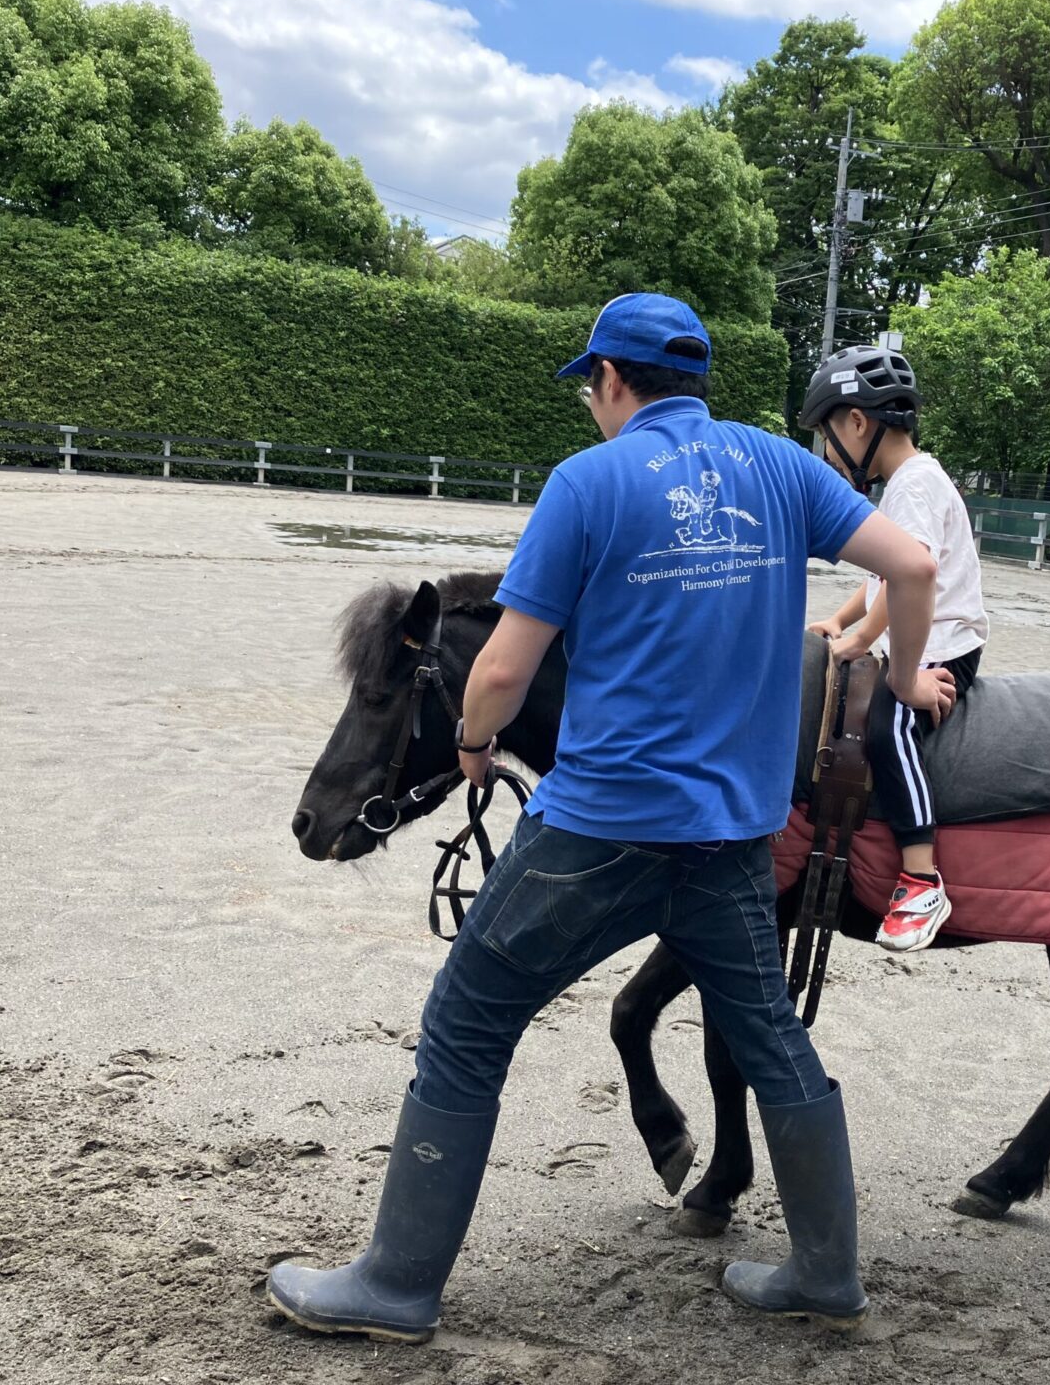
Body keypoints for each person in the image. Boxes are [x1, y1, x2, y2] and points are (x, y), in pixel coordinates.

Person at [266, 294, 955, 1344]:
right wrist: (905, 679)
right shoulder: (780, 466)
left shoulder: (587, 482)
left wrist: (472, 742)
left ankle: (395, 1285)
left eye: (592, 386)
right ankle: (826, 1272)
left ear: (612, 382)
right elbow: (911, 566)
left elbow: (499, 669)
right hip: (733, 832)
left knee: (467, 1019)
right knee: (773, 1041)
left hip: (603, 824)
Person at [801, 344, 989, 954]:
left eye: (827, 435)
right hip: (920, 628)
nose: (827, 453)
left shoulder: (910, 487)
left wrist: (860, 640)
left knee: (889, 723)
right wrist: (839, 617)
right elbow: (881, 579)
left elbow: (914, 573)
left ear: (857, 422)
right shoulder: (910, 482)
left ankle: (919, 878)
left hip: (944, 641)